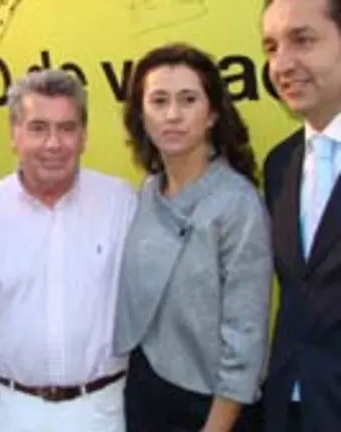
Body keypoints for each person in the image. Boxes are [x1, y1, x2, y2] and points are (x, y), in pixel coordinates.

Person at [0, 69, 136, 431]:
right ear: (14, 135)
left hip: (101, 410)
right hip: (11, 410)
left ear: (84, 136)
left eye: (67, 128)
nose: (54, 144)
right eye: (38, 128)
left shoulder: (120, 203)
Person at [112, 42, 272, 432]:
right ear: (141, 115)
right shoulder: (147, 192)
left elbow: (245, 335)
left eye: (188, 100)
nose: (173, 115)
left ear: (212, 113)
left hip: (211, 409)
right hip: (144, 394)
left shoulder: (237, 203)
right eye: (159, 100)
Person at [262, 0, 341, 430]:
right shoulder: (280, 164)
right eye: (271, 47)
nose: (282, 64)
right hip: (289, 409)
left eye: (302, 40)